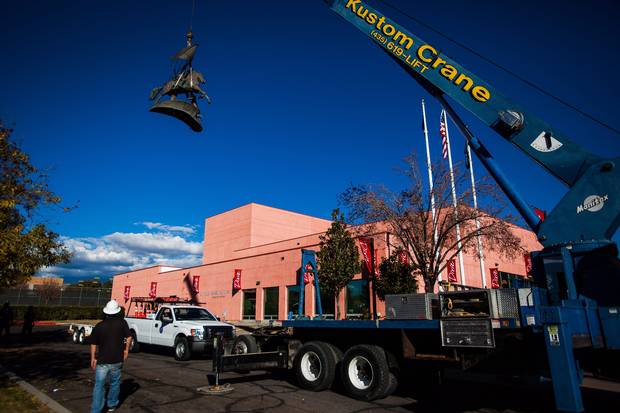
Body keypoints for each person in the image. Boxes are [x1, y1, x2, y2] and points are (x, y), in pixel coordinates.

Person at [89, 300, 131, 413]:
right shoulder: (122, 323)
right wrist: (126, 350)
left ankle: (96, 410)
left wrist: (92, 358)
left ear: (106, 312)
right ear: (117, 312)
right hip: (117, 359)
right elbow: (129, 337)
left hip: (102, 361)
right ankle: (112, 404)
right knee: (115, 383)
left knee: (99, 386)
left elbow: (93, 343)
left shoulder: (99, 325)